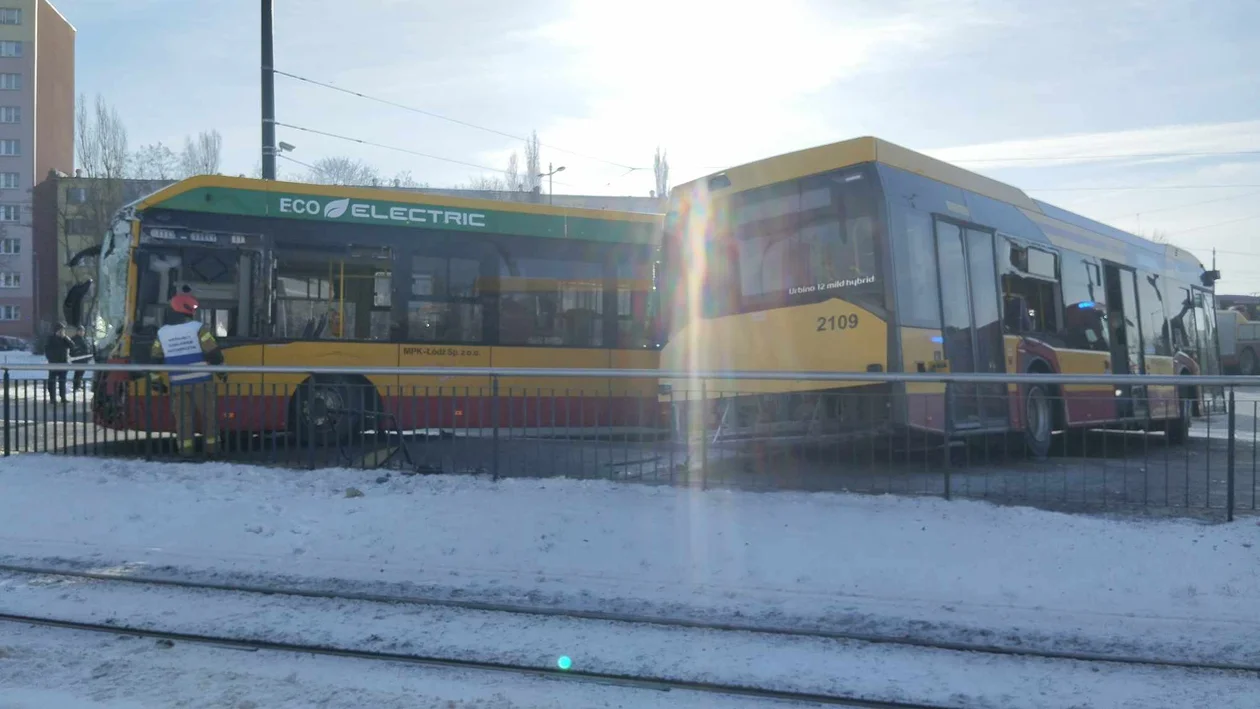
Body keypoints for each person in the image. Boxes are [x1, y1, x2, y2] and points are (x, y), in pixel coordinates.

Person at [149, 293, 225, 457]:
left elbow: (154, 359)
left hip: (177, 383)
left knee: (183, 420)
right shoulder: (197, 328)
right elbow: (213, 353)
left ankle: (186, 451)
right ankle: (213, 450)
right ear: (189, 310)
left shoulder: (162, 333)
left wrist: (155, 381)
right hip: (202, 381)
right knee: (209, 417)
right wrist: (222, 372)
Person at [43, 323, 74, 403]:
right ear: (56, 330)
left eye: (63, 330)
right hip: (54, 363)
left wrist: (66, 338)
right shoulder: (50, 339)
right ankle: (52, 398)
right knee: (52, 381)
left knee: (62, 381)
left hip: (63, 363)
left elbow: (72, 346)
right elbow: (47, 350)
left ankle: (63, 397)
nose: (62, 332)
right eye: (60, 330)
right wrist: (51, 359)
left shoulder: (65, 339)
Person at [69, 326, 92, 392]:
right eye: (81, 331)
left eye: (83, 331)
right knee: (78, 373)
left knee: (81, 373)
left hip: (84, 359)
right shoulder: (74, 339)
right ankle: (76, 386)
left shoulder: (83, 339)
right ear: (77, 331)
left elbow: (87, 347)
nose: (82, 332)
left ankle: (78, 384)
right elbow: (74, 349)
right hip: (78, 359)